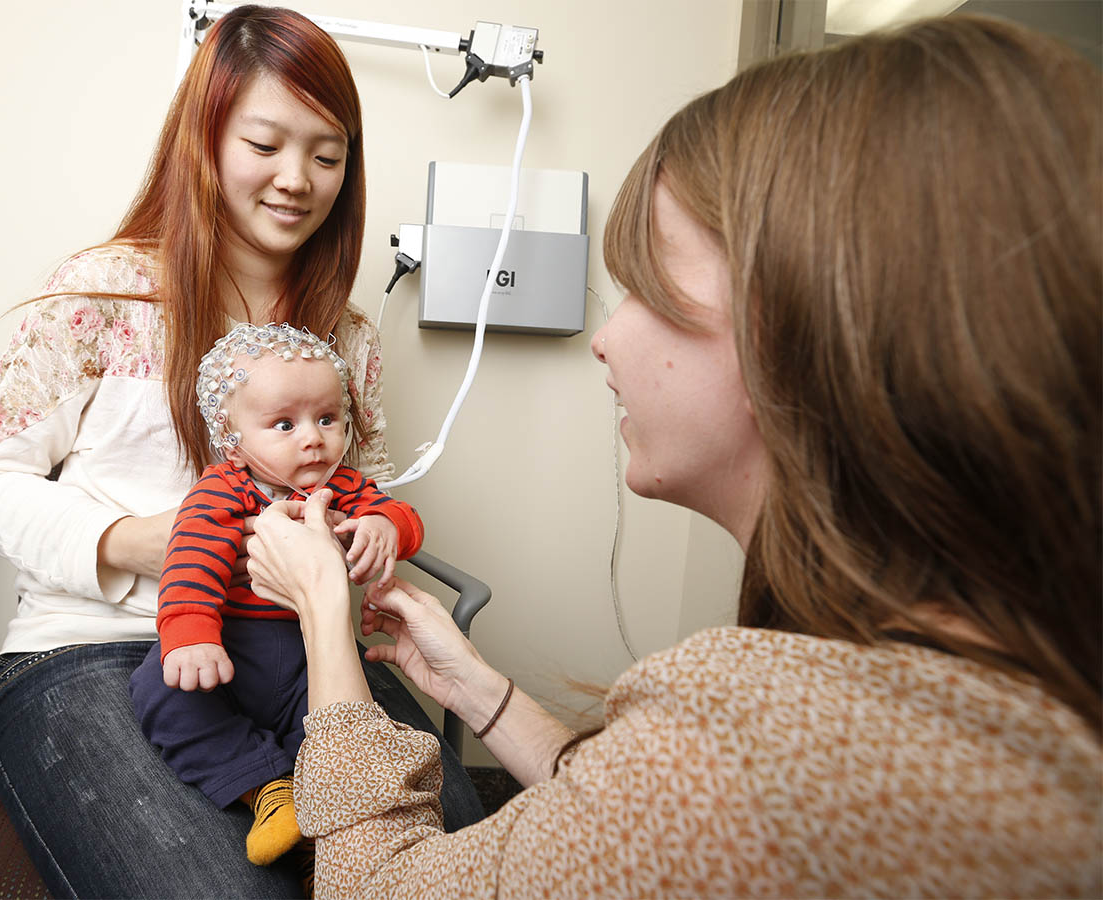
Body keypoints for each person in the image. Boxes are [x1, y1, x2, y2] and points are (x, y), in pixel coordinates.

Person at [245, 14, 1102, 899]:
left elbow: (378, 888)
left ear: (807, 335)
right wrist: (477, 689)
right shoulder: (990, 699)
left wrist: (320, 613)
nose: (605, 339)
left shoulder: (754, 748)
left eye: (649, 290)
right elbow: (644, 835)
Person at [0, 6, 482, 897]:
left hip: (300, 653)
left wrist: (358, 546)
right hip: (97, 650)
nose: (297, 180)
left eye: (327, 155)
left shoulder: (345, 338)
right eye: (265, 144)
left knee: (447, 866)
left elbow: (353, 492)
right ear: (205, 138)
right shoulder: (107, 292)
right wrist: (135, 542)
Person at [129, 321, 424, 867]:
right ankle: (266, 790)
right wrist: (191, 633)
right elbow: (191, 557)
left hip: (314, 653)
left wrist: (387, 526)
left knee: (345, 728)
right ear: (232, 438)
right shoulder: (224, 489)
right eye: (284, 424)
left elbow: (404, 517)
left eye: (327, 419)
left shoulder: (346, 487)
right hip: (232, 650)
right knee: (160, 689)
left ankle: (325, 838)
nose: (313, 438)